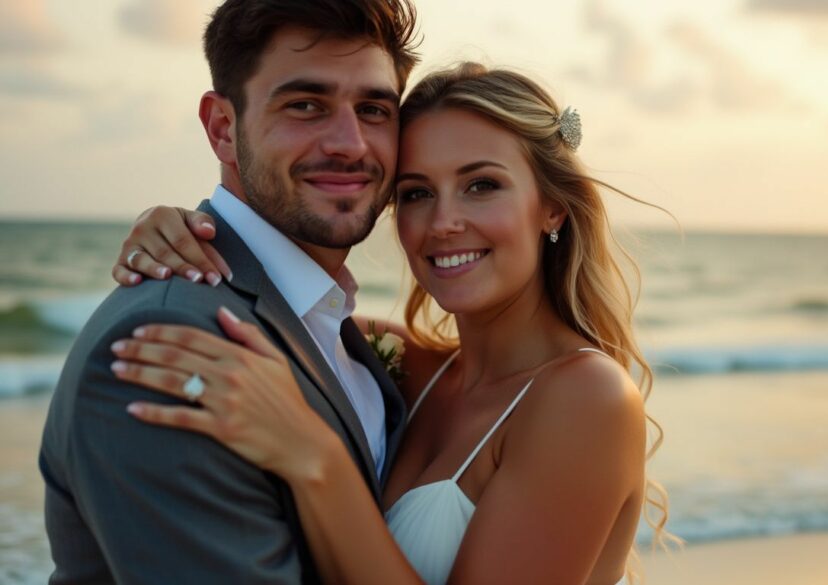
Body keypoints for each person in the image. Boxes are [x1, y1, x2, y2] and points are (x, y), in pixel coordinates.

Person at [105, 63, 676, 582]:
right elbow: (282, 304)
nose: (444, 222)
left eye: (481, 185)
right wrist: (183, 230)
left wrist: (316, 460)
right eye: (417, 193)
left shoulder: (586, 399)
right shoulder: (396, 362)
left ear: (551, 206)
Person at [39, 1, 419, 583]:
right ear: (223, 127)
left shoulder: (332, 327)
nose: (350, 143)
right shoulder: (174, 348)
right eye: (305, 105)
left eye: (373, 109)